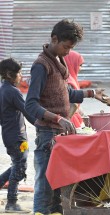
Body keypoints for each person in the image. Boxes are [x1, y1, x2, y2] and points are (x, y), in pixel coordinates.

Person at [25, 19, 110, 215]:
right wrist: (58, 118)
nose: (68, 52)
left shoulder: (59, 62)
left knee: (59, 181)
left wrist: (94, 95)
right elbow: (31, 104)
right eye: (66, 47)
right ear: (54, 39)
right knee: (44, 182)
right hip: (47, 133)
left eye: (71, 48)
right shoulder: (41, 66)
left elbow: (66, 93)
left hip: (60, 133)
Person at [0, 58, 36, 213]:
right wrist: (40, 124)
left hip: (8, 135)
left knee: (17, 165)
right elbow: (27, 111)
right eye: (19, 73)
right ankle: (12, 202)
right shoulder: (14, 92)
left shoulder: (2, 89)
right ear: (9, 74)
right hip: (17, 137)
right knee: (20, 167)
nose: (21, 76)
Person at [64, 50, 85, 128]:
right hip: (70, 121)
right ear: (70, 63)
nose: (80, 68)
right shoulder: (68, 82)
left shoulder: (70, 79)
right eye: (79, 65)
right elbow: (72, 105)